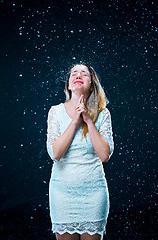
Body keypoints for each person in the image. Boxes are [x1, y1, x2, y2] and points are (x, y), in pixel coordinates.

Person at [46, 62, 114, 240]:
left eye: (84, 73)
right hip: (62, 193)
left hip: (94, 194)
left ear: (91, 83)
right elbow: (56, 154)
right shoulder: (55, 112)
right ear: (69, 85)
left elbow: (105, 155)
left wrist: (88, 120)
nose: (78, 75)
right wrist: (75, 120)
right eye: (74, 73)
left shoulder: (103, 114)